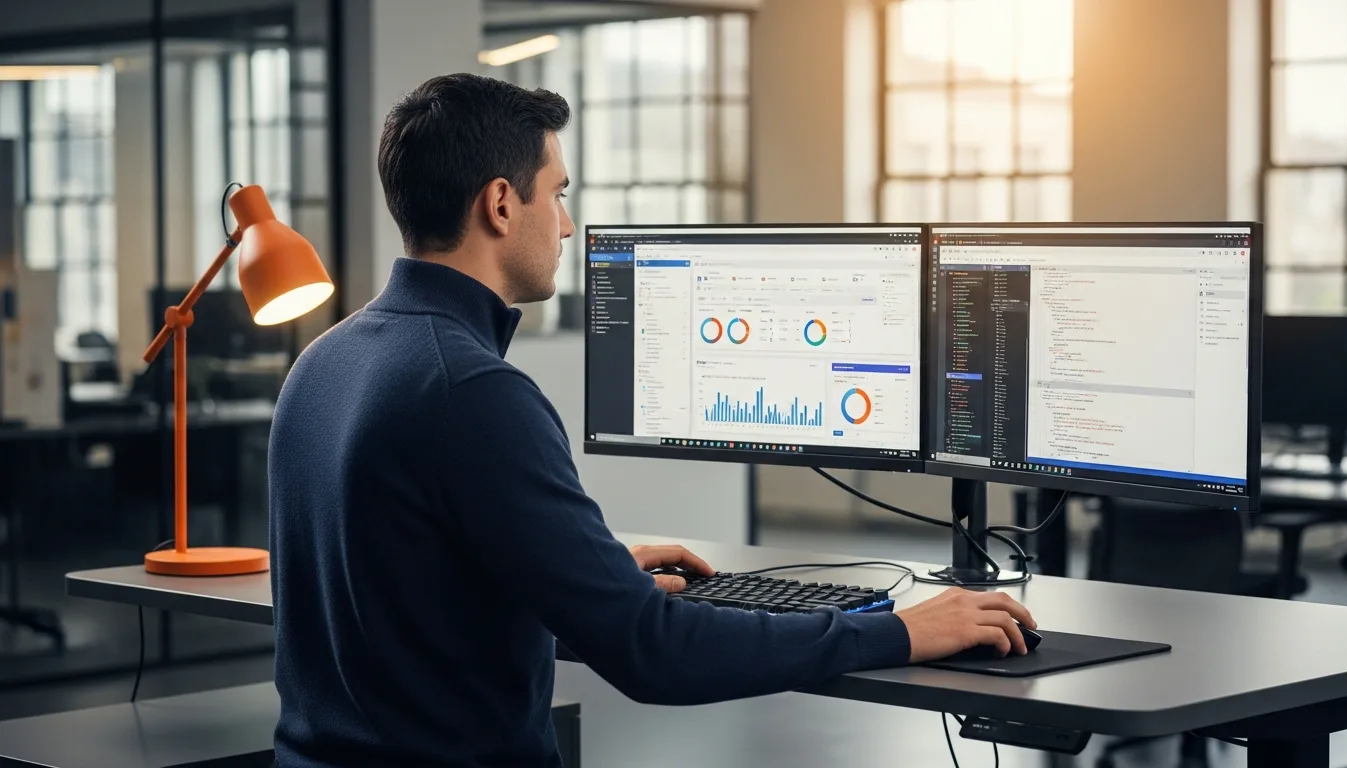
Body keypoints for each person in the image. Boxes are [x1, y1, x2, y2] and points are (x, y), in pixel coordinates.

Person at [267, 72, 1037, 768]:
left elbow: (398, 599)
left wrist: (587, 578)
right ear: (501, 204)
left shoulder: (323, 363)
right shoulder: (471, 391)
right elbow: (657, 656)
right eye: (558, 193)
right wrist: (903, 631)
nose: (567, 226)